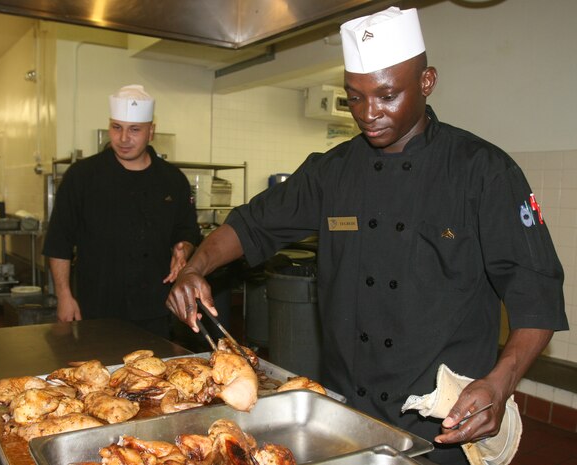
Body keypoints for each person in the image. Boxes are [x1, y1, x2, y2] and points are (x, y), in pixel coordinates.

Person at [166, 7, 569, 465]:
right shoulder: (333, 172)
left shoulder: (484, 173)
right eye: (354, 97)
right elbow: (252, 224)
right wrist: (197, 266)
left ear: (427, 81)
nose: (369, 113)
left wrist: (500, 383)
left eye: (387, 95)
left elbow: (536, 292)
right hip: (345, 413)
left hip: (444, 422)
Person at [43, 84, 201, 338]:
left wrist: (184, 246)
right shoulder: (82, 176)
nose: (123, 138)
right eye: (117, 127)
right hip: (95, 308)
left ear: (151, 132)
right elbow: (58, 242)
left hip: (155, 308)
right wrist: (63, 296)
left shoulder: (172, 180)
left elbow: (188, 230)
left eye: (134, 129)